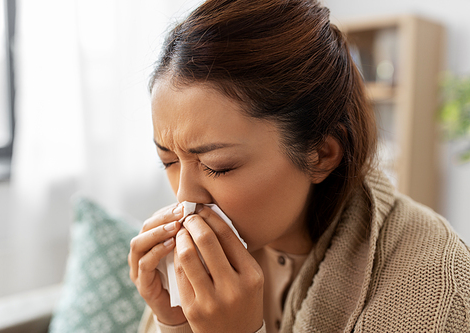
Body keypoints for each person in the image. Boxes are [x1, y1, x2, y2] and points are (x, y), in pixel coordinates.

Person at [128, 0, 470, 332]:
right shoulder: (204, 259)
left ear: (321, 153)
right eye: (169, 161)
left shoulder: (436, 281)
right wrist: (175, 322)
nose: (185, 196)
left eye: (219, 166)